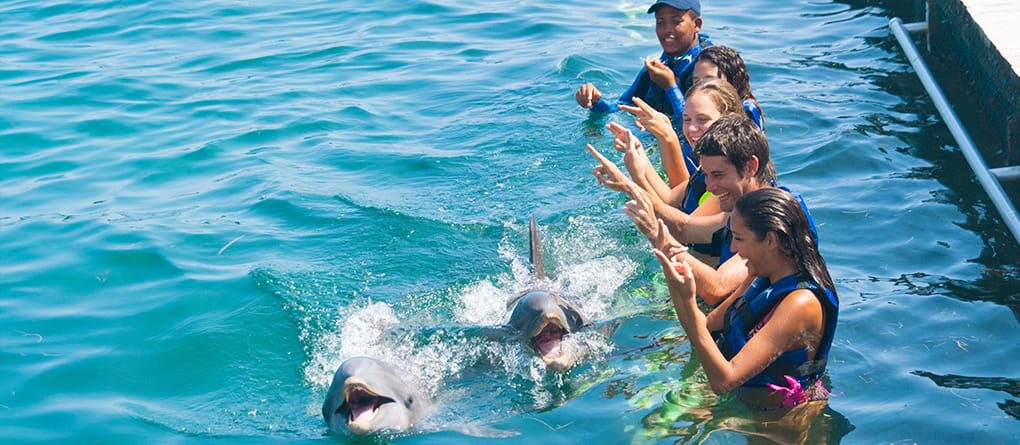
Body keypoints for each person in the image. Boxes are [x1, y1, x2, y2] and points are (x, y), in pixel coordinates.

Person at [650, 187, 838, 411]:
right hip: (744, 411)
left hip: (781, 427)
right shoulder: (760, 278)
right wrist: (673, 277)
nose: (732, 248)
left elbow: (724, 381)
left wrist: (689, 304)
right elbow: (705, 328)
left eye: (739, 238)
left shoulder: (801, 303)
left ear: (771, 240)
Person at [591, 115, 780, 305]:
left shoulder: (770, 219)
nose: (709, 187)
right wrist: (627, 185)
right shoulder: (743, 208)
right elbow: (684, 228)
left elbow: (717, 288)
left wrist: (656, 234)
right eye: (706, 175)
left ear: (750, 167)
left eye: (718, 175)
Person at [575, 0, 707, 116]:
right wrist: (596, 101)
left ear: (697, 25)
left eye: (676, 21)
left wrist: (670, 87)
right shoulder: (657, 67)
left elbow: (702, 126)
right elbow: (623, 105)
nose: (667, 29)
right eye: (660, 22)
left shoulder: (710, 67)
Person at [692, 45, 765, 131]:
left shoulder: (747, 110)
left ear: (734, 81)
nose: (702, 86)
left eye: (710, 80)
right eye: (697, 82)